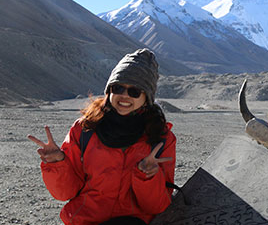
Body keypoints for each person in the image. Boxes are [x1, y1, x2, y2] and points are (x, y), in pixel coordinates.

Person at [28, 48, 176, 225]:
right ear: (109, 91)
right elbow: (64, 193)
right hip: (86, 221)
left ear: (147, 97)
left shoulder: (160, 138)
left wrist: (148, 176)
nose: (124, 96)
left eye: (134, 91)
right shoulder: (85, 129)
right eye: (118, 88)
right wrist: (57, 163)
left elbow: (157, 206)